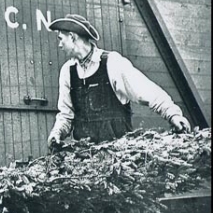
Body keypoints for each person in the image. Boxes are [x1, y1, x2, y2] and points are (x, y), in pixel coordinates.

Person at [47, 14, 191, 147]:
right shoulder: (68, 71)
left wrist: (172, 114)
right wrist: (57, 133)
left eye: (61, 39)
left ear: (72, 37)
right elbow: (66, 115)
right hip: (85, 159)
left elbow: (146, 90)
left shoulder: (112, 63)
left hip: (119, 158)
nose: (59, 45)